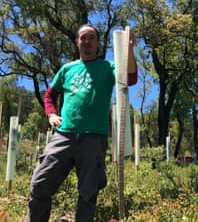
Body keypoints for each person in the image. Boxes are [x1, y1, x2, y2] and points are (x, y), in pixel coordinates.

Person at [26, 24, 138, 222]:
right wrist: (51, 114)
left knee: (88, 193)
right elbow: (50, 94)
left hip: (94, 138)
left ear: (98, 43)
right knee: (39, 183)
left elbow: (129, 78)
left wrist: (129, 50)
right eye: (83, 37)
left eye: (91, 37)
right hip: (64, 135)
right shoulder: (67, 69)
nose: (87, 41)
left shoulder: (108, 67)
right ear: (77, 41)